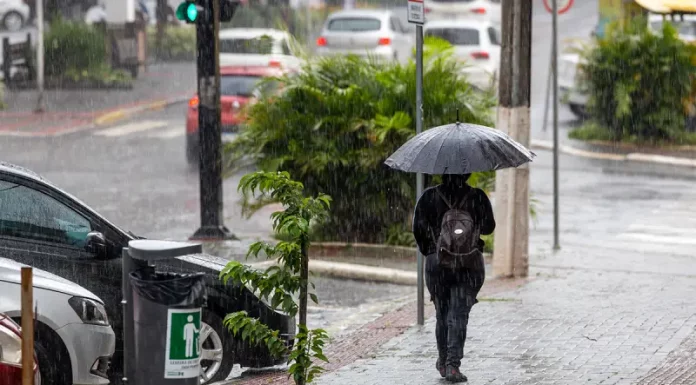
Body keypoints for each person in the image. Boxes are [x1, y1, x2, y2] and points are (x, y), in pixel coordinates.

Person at [412, 173, 495, 383]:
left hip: (437, 264)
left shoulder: (429, 197)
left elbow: (418, 230)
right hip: (469, 264)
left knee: (442, 312)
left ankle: (443, 361)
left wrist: (433, 252)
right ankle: (453, 365)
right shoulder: (477, 196)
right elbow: (489, 227)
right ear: (468, 173)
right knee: (458, 313)